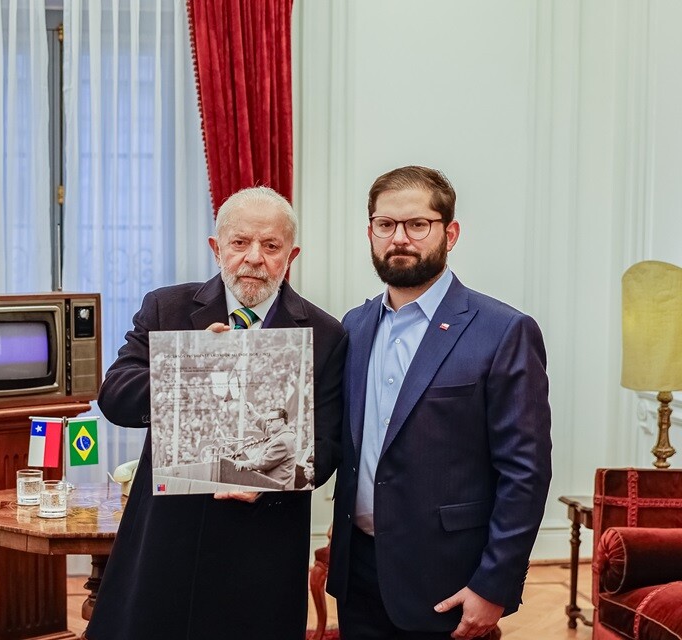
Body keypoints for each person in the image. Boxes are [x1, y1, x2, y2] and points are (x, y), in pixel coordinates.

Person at [86, 186, 347, 640]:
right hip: (167, 536)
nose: (254, 258)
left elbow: (328, 444)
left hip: (262, 543)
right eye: (240, 242)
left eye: (271, 246)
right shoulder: (167, 307)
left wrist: (266, 480)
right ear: (216, 248)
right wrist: (194, 371)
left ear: (291, 254)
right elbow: (116, 397)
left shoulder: (325, 334)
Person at [327, 166, 552, 640]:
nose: (399, 238)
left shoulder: (503, 331)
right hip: (359, 576)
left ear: (450, 233)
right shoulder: (355, 326)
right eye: (385, 225)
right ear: (370, 232)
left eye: (417, 225)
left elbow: (525, 472)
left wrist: (494, 585)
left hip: (449, 579)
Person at [232, 407, 297, 489]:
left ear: (281, 421)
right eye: (267, 420)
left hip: (277, 488)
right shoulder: (282, 434)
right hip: (275, 485)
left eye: (270, 420)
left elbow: (264, 463)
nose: (268, 423)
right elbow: (267, 428)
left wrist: (245, 463)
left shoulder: (282, 441)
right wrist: (254, 414)